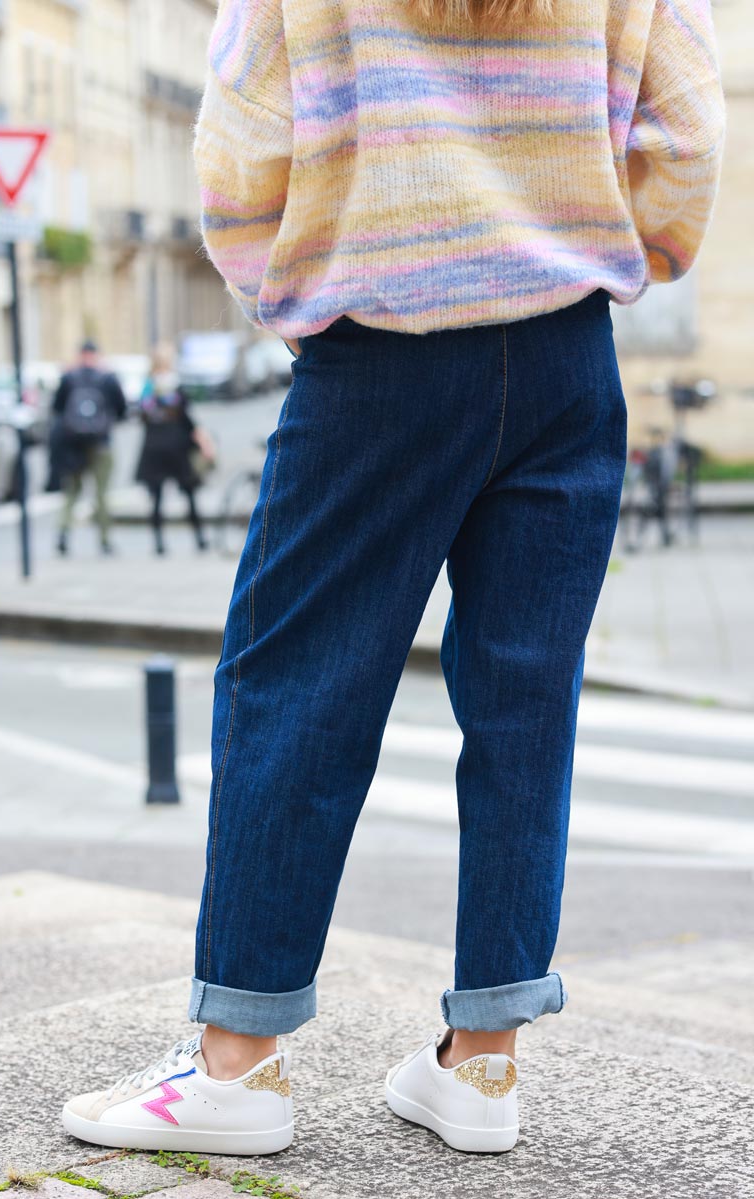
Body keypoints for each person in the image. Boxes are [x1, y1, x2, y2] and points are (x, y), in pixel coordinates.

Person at [62, 0, 724, 1158]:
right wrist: (608, 249)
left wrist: (303, 294)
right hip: (569, 351)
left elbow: (240, 151)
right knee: (525, 701)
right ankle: (483, 1062)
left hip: (380, 350)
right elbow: (683, 141)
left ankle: (236, 1060)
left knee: (297, 689)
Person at [52, 339, 127, 556]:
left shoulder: (68, 378)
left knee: (72, 492)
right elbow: (121, 410)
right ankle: (104, 540)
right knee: (101, 494)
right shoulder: (107, 379)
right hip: (101, 444)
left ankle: (63, 534)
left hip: (73, 445)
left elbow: (57, 409)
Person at [135, 346, 211, 555]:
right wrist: (202, 440)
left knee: (157, 498)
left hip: (154, 448)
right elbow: (187, 419)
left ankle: (159, 543)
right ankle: (200, 539)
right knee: (189, 493)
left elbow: (141, 418)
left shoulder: (146, 389)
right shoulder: (175, 387)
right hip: (177, 447)